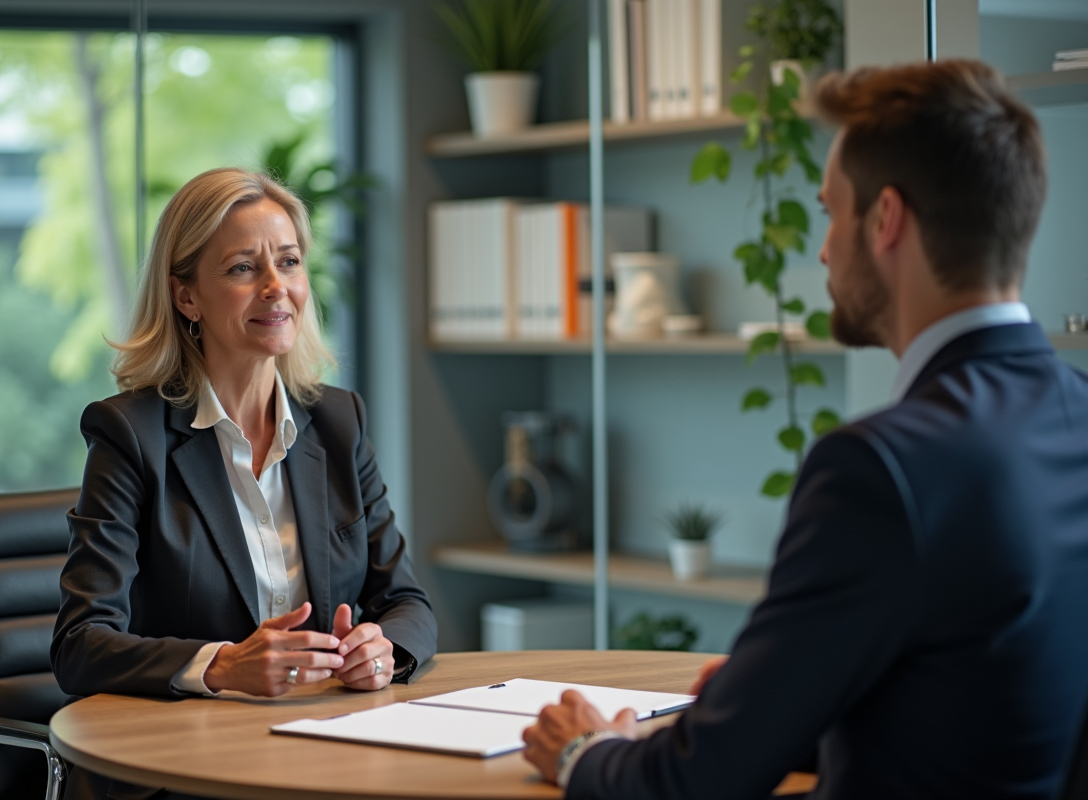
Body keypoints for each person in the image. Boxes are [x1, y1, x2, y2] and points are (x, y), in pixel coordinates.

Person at [523, 60, 1088, 799]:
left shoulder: (879, 469)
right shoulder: (1073, 412)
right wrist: (788, 700)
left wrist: (583, 751)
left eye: (830, 213)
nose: (822, 250)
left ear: (885, 220)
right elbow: (993, 703)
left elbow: (695, 783)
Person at [52, 167, 437, 798]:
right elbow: (80, 645)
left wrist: (384, 648)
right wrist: (223, 665)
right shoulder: (131, 436)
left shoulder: (338, 422)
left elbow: (408, 603)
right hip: (188, 764)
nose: (275, 287)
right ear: (186, 297)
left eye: (288, 262)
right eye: (241, 269)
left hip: (329, 746)